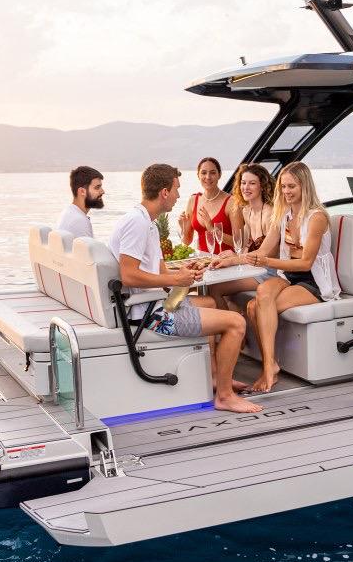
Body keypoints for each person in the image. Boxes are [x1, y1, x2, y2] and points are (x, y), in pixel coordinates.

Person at [109, 164, 261, 414]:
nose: (179, 195)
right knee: (236, 322)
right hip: (151, 314)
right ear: (164, 192)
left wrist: (182, 275)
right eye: (176, 189)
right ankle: (225, 396)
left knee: (210, 302)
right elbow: (128, 275)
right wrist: (177, 281)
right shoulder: (138, 224)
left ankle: (214, 377)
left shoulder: (147, 222)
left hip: (154, 303)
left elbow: (159, 273)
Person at [222, 162, 341, 393]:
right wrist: (231, 260)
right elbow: (261, 252)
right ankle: (271, 364)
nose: (286, 191)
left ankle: (269, 368)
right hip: (289, 276)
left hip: (313, 281)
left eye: (291, 186)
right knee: (259, 297)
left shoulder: (316, 217)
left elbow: (305, 263)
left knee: (255, 307)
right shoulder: (284, 215)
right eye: (283, 187)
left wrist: (267, 262)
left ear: (304, 186)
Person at [206, 164, 277, 310]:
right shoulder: (247, 211)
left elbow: (268, 254)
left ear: (262, 186)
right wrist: (234, 255)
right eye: (243, 183)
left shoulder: (270, 213)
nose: (246, 187)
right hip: (251, 267)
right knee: (213, 282)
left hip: (269, 272)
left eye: (252, 183)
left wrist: (233, 260)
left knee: (215, 288)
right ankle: (234, 319)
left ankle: (232, 322)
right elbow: (246, 247)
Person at [178, 157, 243, 255]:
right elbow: (187, 241)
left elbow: (239, 243)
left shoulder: (231, 202)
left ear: (219, 175)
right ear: (198, 175)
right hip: (201, 261)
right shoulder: (193, 200)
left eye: (212, 173)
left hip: (226, 261)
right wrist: (184, 227)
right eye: (203, 173)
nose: (208, 177)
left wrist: (212, 229)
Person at [56, 166, 104, 238]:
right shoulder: (79, 221)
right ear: (82, 191)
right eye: (97, 187)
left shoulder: (69, 212)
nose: (102, 191)